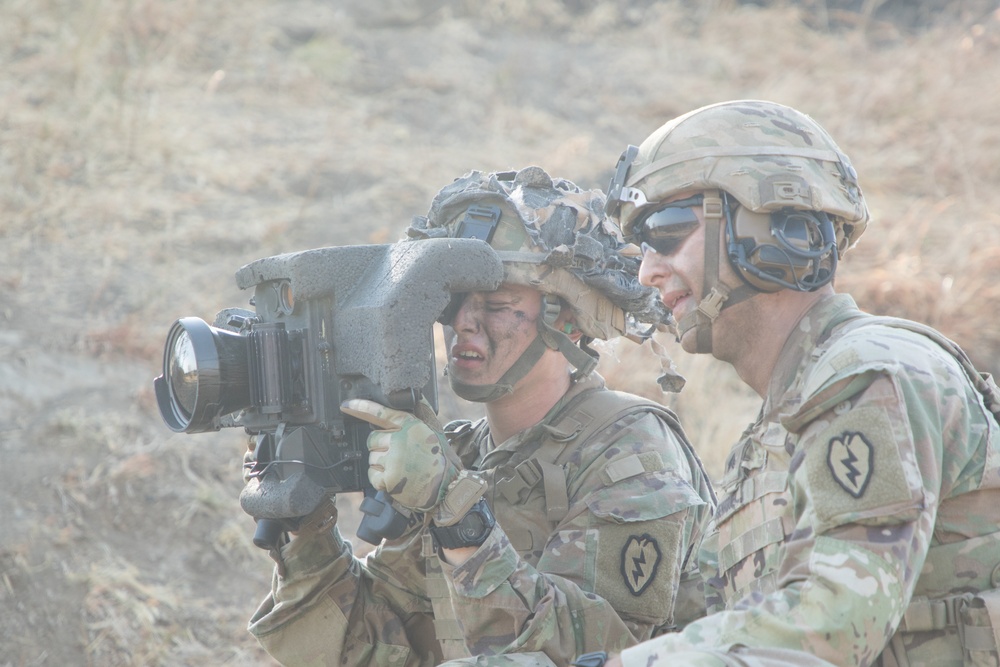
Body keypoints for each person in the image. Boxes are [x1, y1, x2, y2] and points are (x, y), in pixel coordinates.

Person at [580, 99, 1000, 667]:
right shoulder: (771, 438)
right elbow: (704, 626)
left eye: (666, 233)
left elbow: (831, 625)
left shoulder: (868, 374)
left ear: (764, 226)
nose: (646, 271)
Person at [244, 166, 717, 666]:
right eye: (453, 303)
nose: (463, 324)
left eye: (496, 304)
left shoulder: (631, 454)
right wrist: (307, 530)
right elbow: (367, 649)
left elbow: (606, 652)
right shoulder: (459, 453)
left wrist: (458, 516)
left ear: (571, 320)